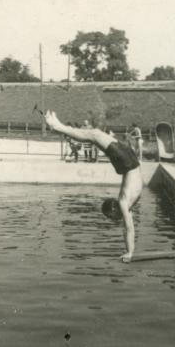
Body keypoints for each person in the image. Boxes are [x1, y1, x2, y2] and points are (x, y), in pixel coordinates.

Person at [45, 110, 143, 262]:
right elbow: (128, 228)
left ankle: (57, 126)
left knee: (94, 135)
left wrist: (130, 251)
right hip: (128, 162)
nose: (114, 220)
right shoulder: (125, 205)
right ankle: (57, 126)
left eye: (111, 217)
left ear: (114, 209)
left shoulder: (125, 204)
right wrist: (130, 251)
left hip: (128, 162)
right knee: (94, 135)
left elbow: (128, 229)